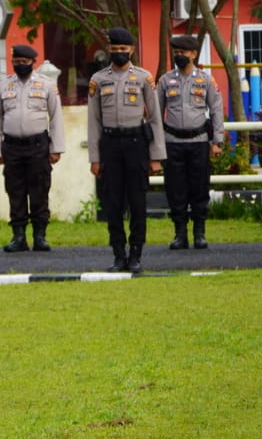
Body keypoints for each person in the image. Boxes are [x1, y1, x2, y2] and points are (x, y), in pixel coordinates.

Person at [87, 27, 165, 274]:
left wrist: (156, 156)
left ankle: (136, 254)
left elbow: (154, 119)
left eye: (123, 49)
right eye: (115, 49)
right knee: (112, 203)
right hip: (110, 145)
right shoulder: (98, 80)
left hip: (136, 144)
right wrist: (95, 158)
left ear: (131, 50)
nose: (119, 53)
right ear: (109, 49)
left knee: (137, 201)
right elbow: (94, 121)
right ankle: (118, 254)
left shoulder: (143, 78)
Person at [0, 44, 66, 253]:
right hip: (11, 147)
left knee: (39, 190)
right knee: (15, 191)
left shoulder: (46, 85)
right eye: (17, 62)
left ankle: (40, 236)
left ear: (33, 63)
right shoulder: (4, 86)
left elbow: (56, 117)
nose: (20, 65)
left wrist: (56, 147)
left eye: (24, 62)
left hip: (38, 146)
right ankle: (18, 237)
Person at [158, 35, 224, 250]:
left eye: (183, 52)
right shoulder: (165, 80)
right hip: (173, 142)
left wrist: (217, 141)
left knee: (199, 187)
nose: (180, 56)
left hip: (198, 142)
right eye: (176, 52)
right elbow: (156, 115)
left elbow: (216, 110)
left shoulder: (205, 80)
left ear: (194, 54)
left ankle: (199, 232)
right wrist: (156, 147)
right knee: (175, 189)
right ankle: (180, 234)